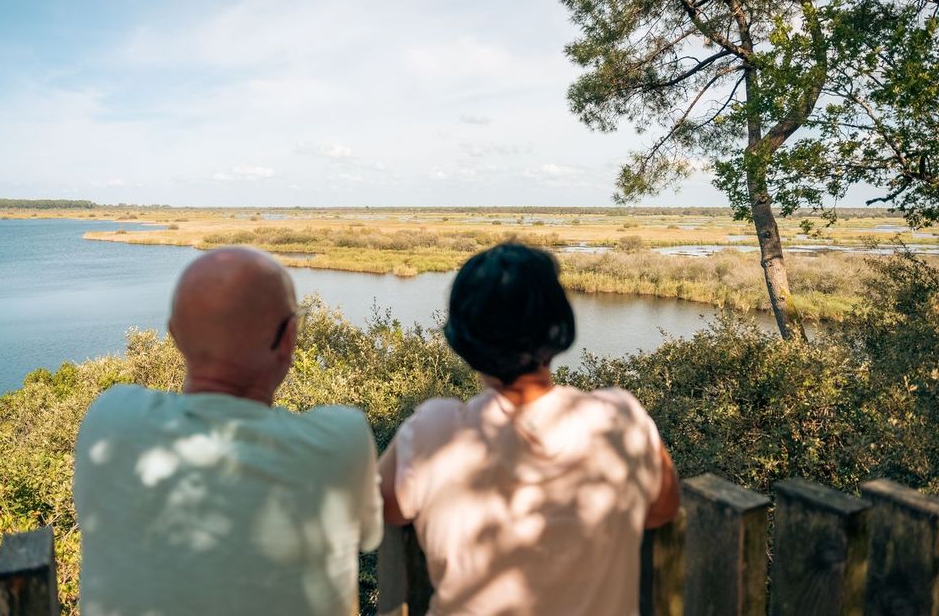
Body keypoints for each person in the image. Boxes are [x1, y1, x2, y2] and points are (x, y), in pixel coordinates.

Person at [74, 247, 382, 616]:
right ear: (289, 340)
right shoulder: (341, 440)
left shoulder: (109, 419)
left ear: (174, 336)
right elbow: (369, 536)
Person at [378, 243, 680, 616]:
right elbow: (663, 509)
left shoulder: (435, 432)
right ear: (558, 327)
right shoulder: (620, 419)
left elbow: (383, 506)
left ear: (462, 337)